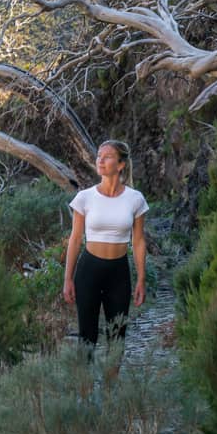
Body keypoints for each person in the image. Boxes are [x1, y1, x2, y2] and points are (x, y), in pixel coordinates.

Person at [63, 139, 148, 348]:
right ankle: (85, 372)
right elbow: (75, 239)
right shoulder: (84, 197)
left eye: (107, 157)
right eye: (99, 156)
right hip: (88, 270)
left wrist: (141, 279)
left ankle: (113, 373)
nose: (100, 160)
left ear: (121, 165)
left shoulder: (135, 199)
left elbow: (138, 241)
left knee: (117, 337)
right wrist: (68, 278)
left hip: (119, 273)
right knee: (87, 338)